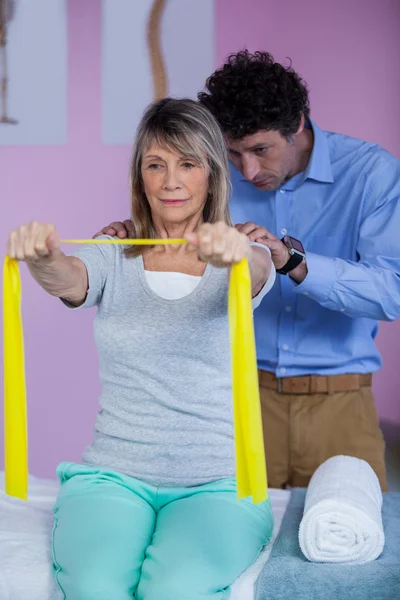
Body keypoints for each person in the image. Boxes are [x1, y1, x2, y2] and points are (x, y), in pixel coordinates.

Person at [6, 98, 275, 600]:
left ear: (212, 175)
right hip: (113, 476)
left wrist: (237, 254)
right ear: (141, 177)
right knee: (93, 586)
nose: (171, 181)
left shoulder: (244, 254)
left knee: (176, 590)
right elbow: (70, 280)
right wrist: (43, 258)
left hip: (217, 484)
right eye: (156, 165)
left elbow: (258, 271)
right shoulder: (114, 252)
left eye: (187, 164)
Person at [98, 51, 400, 492]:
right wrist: (136, 231)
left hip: (342, 407)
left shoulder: (372, 175)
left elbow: (390, 293)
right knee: (242, 547)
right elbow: (176, 242)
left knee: (352, 546)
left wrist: (294, 263)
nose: (249, 171)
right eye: (234, 153)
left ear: (297, 124)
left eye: (261, 150)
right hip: (235, 402)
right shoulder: (216, 175)